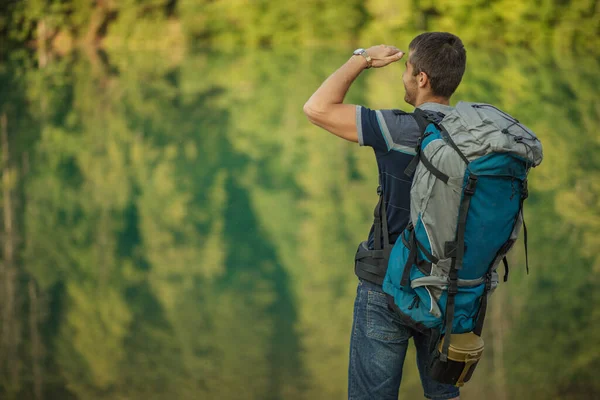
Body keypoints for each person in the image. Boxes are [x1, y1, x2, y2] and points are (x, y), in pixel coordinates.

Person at [303, 32, 467, 400]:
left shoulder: (398, 129)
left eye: (407, 70)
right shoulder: (476, 138)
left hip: (387, 288)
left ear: (421, 78)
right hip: (452, 292)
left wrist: (362, 57)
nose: (404, 77)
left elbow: (316, 108)